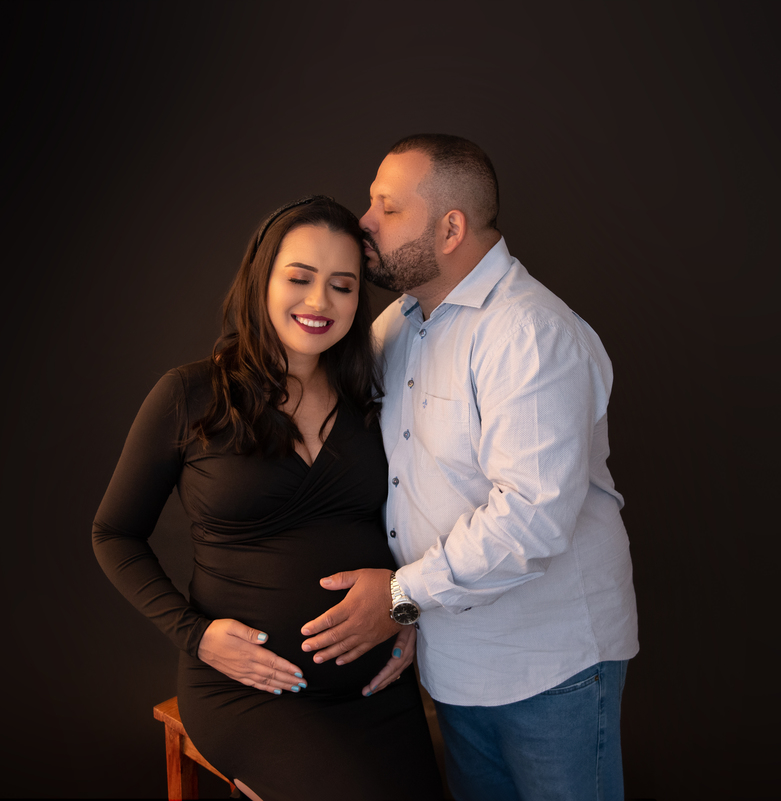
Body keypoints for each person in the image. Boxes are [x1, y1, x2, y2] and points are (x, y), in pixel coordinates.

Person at [299, 136, 640, 801]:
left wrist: (400, 596)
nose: (363, 222)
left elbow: (531, 519)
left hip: (552, 665)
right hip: (452, 661)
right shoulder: (396, 327)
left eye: (387, 207)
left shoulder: (529, 332)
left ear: (450, 228)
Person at [92, 196, 443, 801]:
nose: (319, 302)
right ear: (261, 280)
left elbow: (409, 520)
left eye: (342, 285)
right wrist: (195, 635)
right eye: (300, 278)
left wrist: (405, 606)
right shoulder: (189, 394)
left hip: (374, 688)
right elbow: (114, 534)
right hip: (251, 691)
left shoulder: (374, 395)